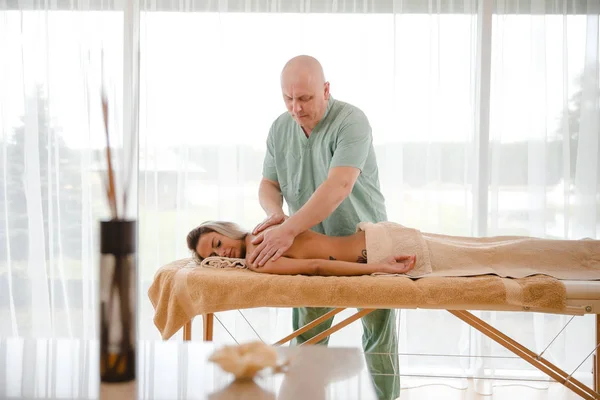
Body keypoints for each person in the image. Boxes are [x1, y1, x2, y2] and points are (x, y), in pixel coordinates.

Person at [247, 55, 400, 400]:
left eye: (304, 99)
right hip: (313, 244)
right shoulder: (279, 128)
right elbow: (268, 185)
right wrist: (275, 215)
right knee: (308, 337)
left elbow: (339, 186)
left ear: (326, 90)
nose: (296, 108)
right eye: (288, 99)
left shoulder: (352, 122)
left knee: (379, 337)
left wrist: (287, 231)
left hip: (365, 242)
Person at [187, 220, 417, 276]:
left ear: (226, 231)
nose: (223, 253)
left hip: (376, 250)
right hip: (376, 234)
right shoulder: (269, 224)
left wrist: (379, 267)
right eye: (214, 256)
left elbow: (316, 266)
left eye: (218, 243)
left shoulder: (258, 258)